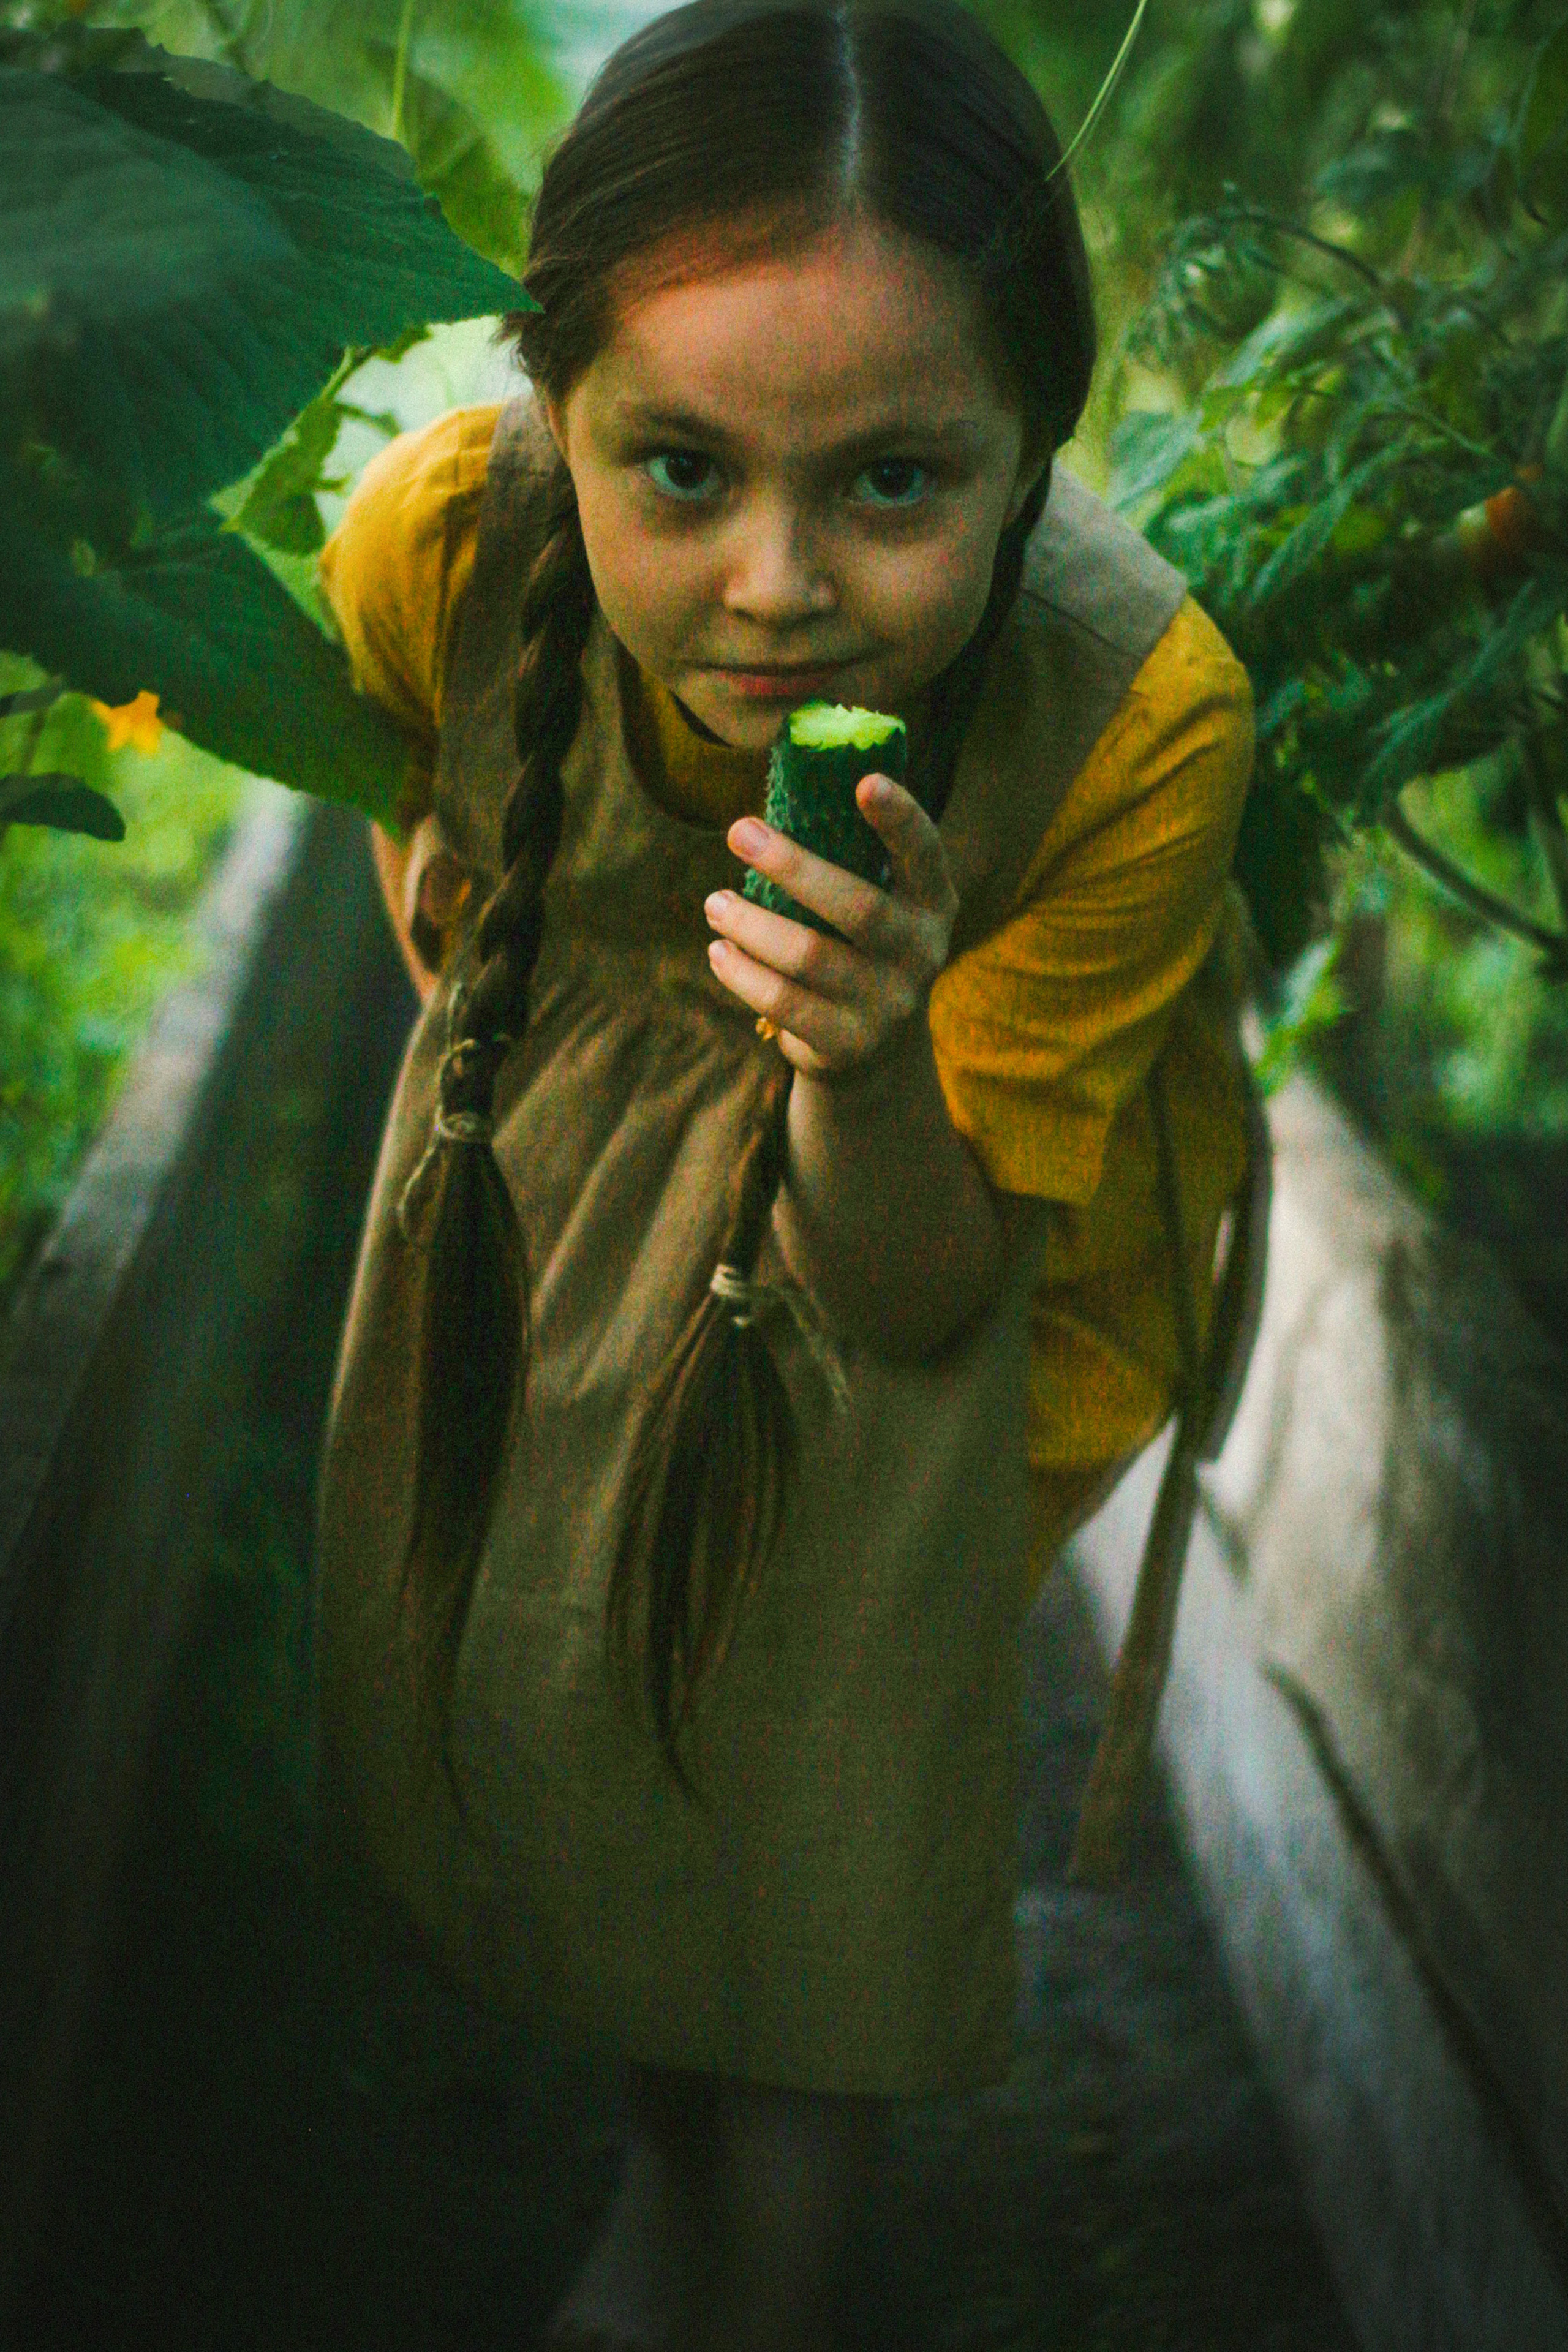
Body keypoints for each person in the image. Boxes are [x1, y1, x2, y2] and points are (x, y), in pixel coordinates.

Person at [312, 1, 1257, 2343]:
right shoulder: (444, 540)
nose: (775, 586)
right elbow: (418, 850)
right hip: (560, 1264)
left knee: (809, 1865)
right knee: (612, 1775)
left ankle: (769, 2299)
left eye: (894, 487)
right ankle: (661, 2217)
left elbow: (929, 1287)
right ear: (557, 413)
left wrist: (857, 1058)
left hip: (884, 1284)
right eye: (682, 471)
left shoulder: (1134, 720)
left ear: (1038, 443)